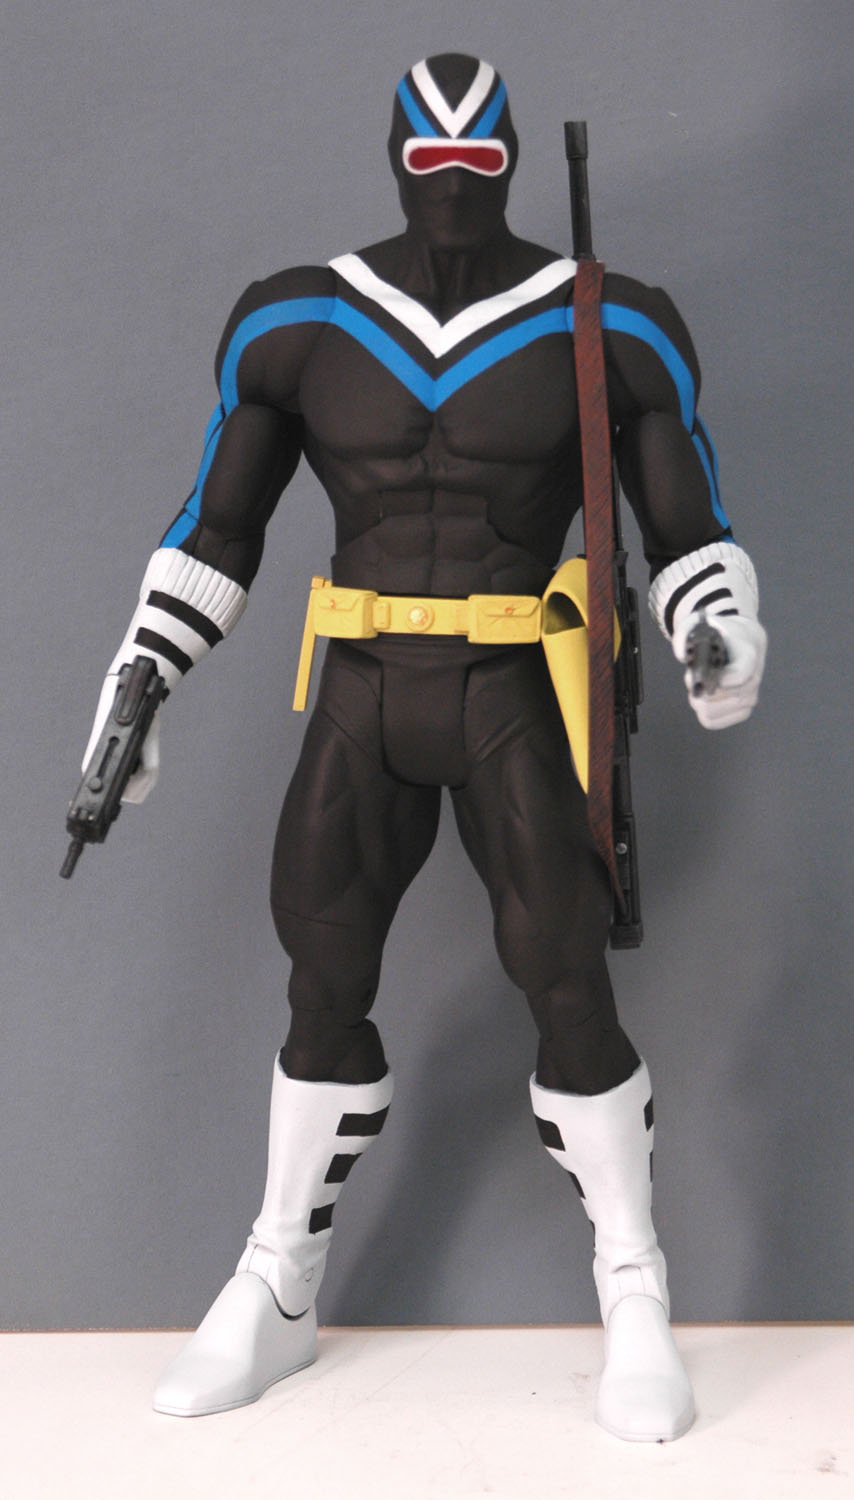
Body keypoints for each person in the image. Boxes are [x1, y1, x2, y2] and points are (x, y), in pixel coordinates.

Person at [81, 54, 766, 1439]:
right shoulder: (300, 320)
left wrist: (718, 625)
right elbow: (219, 524)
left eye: (478, 166)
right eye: (431, 165)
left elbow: (684, 521)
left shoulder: (606, 320)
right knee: (321, 973)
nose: (453, 191)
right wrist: (143, 672)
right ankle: (278, 1280)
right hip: (362, 685)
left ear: (506, 162)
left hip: (518, 682)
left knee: (565, 978)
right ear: (396, 161)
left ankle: (633, 1285)